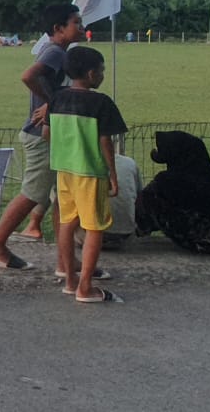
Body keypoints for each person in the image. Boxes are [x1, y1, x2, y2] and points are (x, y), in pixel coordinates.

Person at [0, 3, 84, 272]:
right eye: (76, 22)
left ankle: (66, 261)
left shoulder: (58, 52)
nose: (82, 27)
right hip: (41, 135)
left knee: (62, 197)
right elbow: (28, 76)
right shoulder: (55, 52)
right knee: (33, 193)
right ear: (58, 28)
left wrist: (53, 101)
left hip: (54, 133)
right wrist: (53, 102)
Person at [44, 46, 127, 303]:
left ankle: (70, 281)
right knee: (94, 227)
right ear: (91, 74)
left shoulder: (56, 98)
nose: (102, 75)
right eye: (101, 70)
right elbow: (106, 142)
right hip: (90, 172)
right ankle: (86, 287)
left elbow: (46, 133)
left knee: (67, 223)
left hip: (64, 170)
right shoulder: (101, 102)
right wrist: (112, 174)